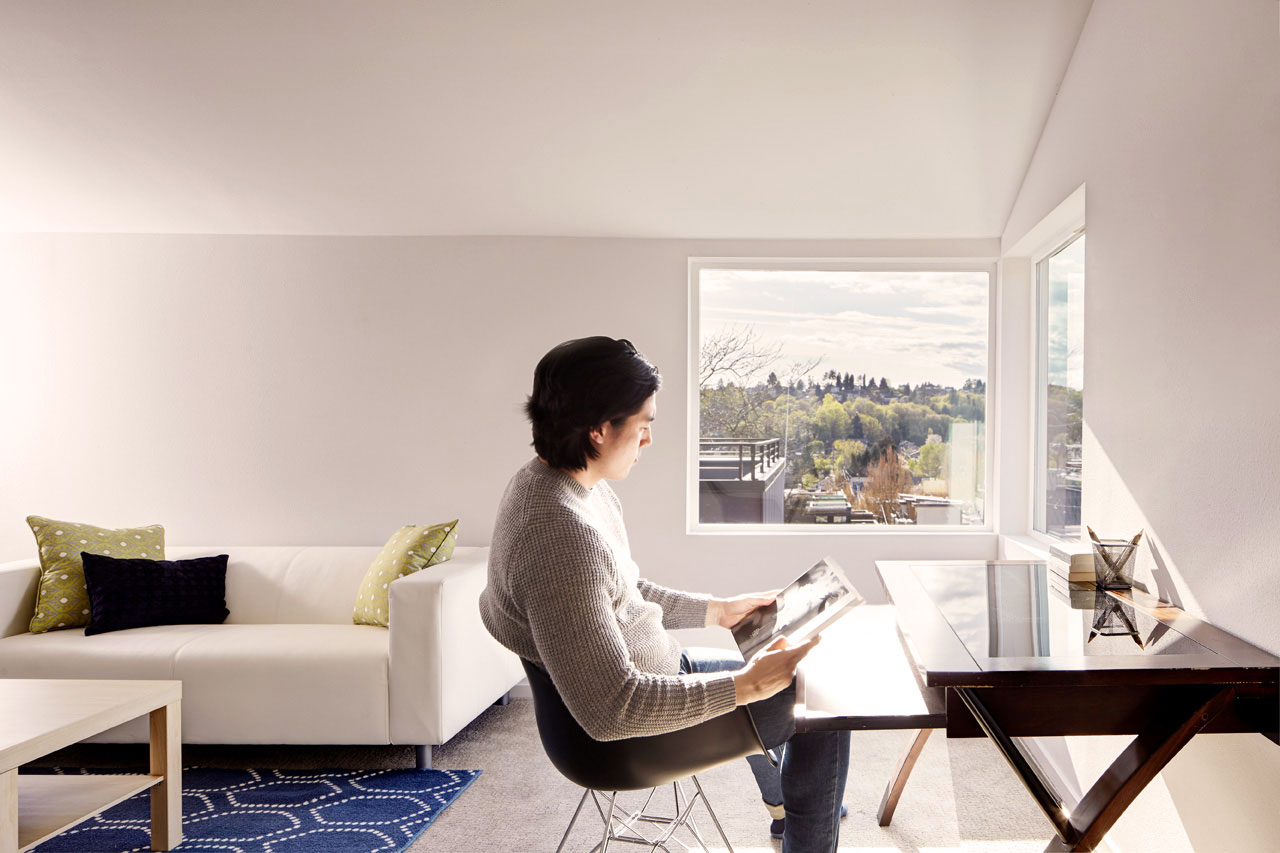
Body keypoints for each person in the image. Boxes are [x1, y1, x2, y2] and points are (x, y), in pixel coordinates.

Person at [479, 336, 850, 851]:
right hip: (626, 738)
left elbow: (618, 590)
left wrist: (717, 611)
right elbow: (612, 709)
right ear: (599, 429)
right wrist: (746, 686)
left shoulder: (558, 481)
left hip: (655, 676)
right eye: (644, 424)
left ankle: (791, 805)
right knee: (825, 704)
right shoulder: (559, 535)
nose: (650, 439)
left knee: (782, 672)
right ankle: (808, 827)